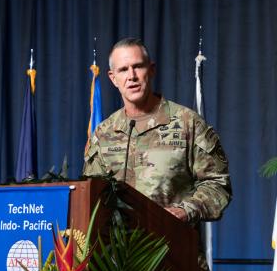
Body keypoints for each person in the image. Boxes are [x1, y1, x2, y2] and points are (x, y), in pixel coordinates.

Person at [83, 38, 231, 224]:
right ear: (113, 78)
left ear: (151, 70)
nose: (132, 76)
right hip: (119, 250)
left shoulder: (188, 123)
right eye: (123, 70)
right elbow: (91, 194)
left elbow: (218, 184)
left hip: (174, 246)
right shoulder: (104, 133)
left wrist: (185, 211)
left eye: (138, 66)